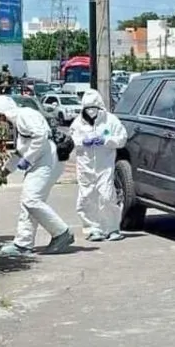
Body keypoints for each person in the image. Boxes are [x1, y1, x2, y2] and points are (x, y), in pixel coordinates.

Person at [0, 95, 75, 255]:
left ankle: (61, 232)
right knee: (28, 202)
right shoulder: (18, 122)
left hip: (47, 160)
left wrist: (28, 159)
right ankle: (23, 244)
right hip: (42, 160)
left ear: (1, 114)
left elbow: (40, 136)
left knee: (31, 200)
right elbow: (20, 152)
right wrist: (2, 174)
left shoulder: (24, 115)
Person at [69, 89, 128, 242]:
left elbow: (122, 139)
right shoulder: (78, 123)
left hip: (105, 166)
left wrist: (106, 141)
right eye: (88, 108)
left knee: (107, 196)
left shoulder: (111, 121)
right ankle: (92, 229)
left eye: (94, 108)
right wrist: (83, 142)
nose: (91, 111)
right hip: (85, 167)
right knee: (87, 197)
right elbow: (72, 141)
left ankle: (112, 228)